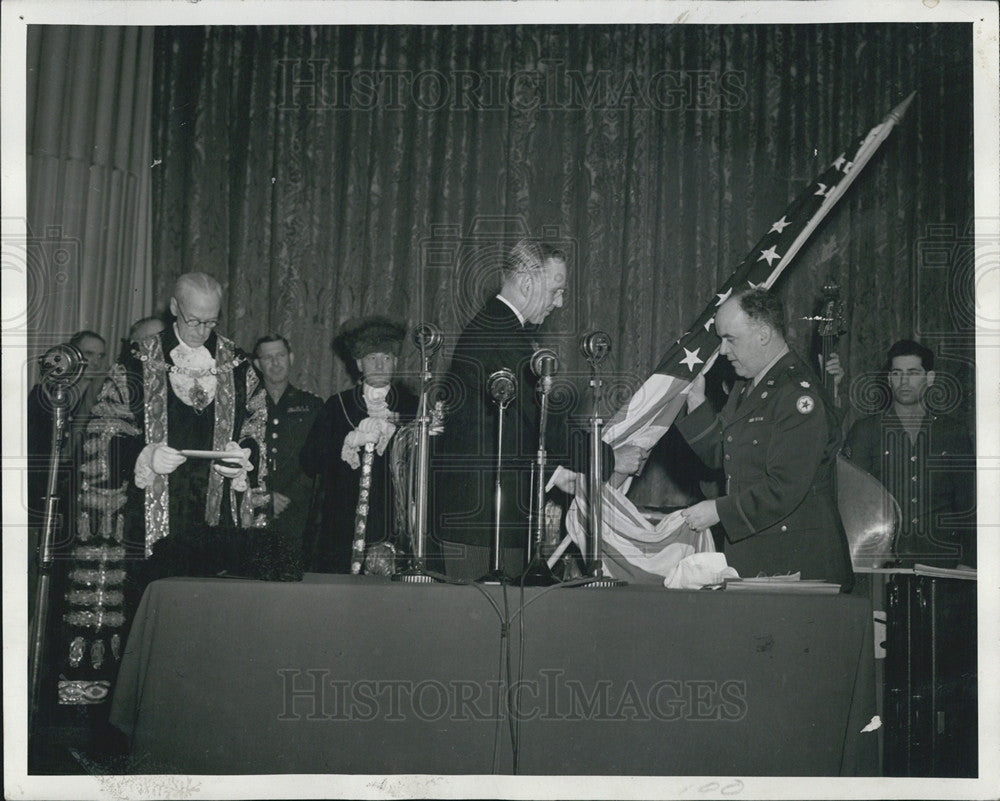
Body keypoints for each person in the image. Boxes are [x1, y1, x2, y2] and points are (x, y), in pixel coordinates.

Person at [57, 272, 269, 708]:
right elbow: (102, 433)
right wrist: (144, 454)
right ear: (174, 309)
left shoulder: (237, 364)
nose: (204, 331)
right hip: (149, 524)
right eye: (195, 321)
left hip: (215, 524)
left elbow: (259, 428)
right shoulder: (137, 361)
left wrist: (243, 453)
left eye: (212, 322)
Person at [430, 239, 643, 580]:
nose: (559, 303)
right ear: (528, 284)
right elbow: (546, 424)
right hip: (486, 524)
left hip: (486, 519)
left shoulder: (494, 327)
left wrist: (558, 474)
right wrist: (610, 458)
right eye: (556, 290)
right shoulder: (503, 337)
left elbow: (512, 431)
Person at [677, 289, 854, 589]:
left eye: (730, 339)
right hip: (760, 556)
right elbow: (723, 454)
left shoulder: (798, 394)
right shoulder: (748, 386)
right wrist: (696, 401)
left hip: (797, 564)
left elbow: (785, 487)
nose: (722, 351)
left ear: (762, 334)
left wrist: (719, 511)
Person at [843, 339, 975, 567]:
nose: (904, 381)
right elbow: (852, 503)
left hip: (942, 563)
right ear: (889, 379)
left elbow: (968, 503)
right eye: (897, 373)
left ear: (929, 378)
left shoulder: (952, 432)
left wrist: (969, 561)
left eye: (913, 373)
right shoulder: (866, 431)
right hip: (883, 561)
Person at [301, 317, 417, 574]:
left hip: (392, 519)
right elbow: (310, 461)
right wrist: (347, 443)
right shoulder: (337, 405)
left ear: (396, 362)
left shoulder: (413, 406)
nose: (379, 364)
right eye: (372, 357)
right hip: (343, 522)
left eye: (386, 358)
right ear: (358, 363)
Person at [253, 334, 322, 579]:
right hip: (254, 509)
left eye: (280, 355)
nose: (275, 363)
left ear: (291, 358)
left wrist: (288, 497)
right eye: (268, 357)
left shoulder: (312, 405)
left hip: (297, 514)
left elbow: (317, 463)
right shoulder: (246, 405)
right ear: (257, 364)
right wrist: (262, 497)